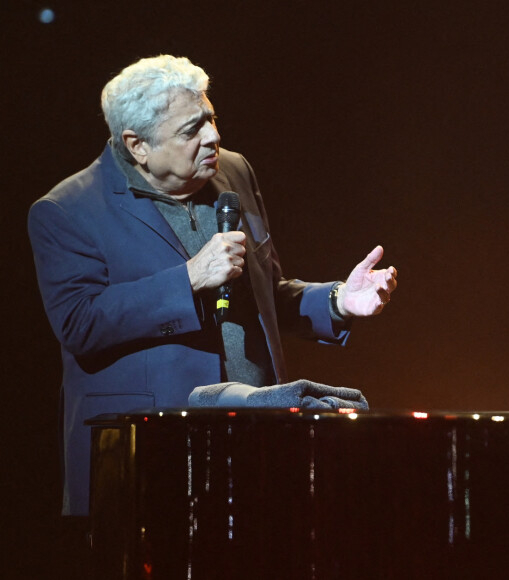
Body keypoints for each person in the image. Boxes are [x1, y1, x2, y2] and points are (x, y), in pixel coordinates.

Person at [28, 55, 398, 517]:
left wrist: (339, 300)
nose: (213, 137)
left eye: (211, 117)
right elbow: (80, 323)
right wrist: (188, 279)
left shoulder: (234, 172)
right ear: (137, 145)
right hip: (149, 459)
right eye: (191, 130)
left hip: (255, 447)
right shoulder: (68, 210)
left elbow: (264, 293)